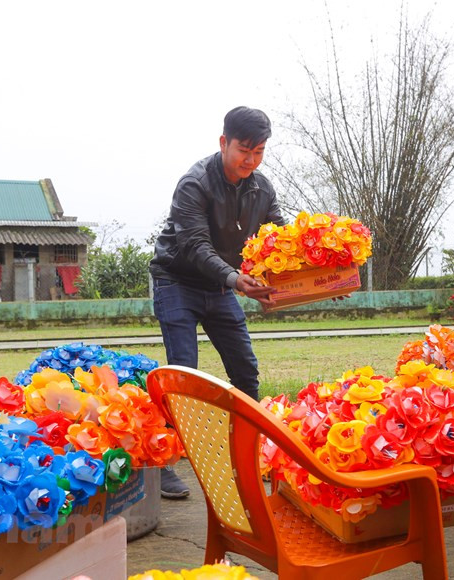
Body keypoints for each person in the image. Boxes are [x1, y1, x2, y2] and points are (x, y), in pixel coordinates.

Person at [150, 106, 286, 498]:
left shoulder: (262, 188)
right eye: (245, 150)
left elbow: (280, 241)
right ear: (224, 142)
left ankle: (253, 451)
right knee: (183, 375)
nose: (251, 160)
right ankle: (164, 463)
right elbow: (194, 245)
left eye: (259, 152)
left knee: (245, 371)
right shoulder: (194, 183)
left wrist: (313, 280)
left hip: (224, 285)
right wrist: (235, 280)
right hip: (178, 280)